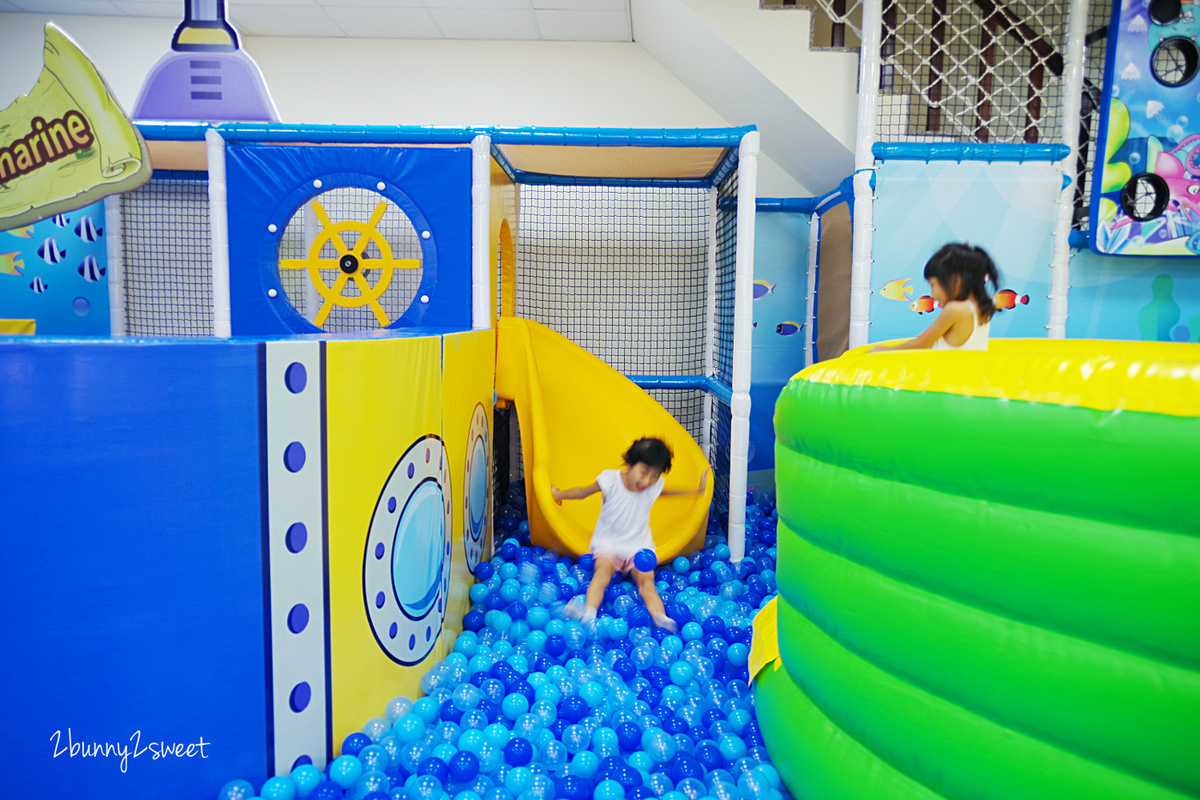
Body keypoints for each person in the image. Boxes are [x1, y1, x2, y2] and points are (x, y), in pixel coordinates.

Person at [551, 437, 708, 632]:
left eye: (655, 476)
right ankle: (588, 615)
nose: (647, 481)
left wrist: (695, 491)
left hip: (639, 548)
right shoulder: (610, 481)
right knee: (602, 574)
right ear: (628, 464)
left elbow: (665, 492)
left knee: (647, 582)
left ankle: (661, 618)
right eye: (643, 473)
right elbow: (582, 492)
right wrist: (559, 494)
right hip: (609, 545)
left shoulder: (653, 486)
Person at [870, 242, 999, 352]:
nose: (932, 294)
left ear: (955, 281)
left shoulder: (956, 309)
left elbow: (921, 343)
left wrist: (885, 350)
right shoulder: (981, 310)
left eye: (933, 285)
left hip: (944, 379)